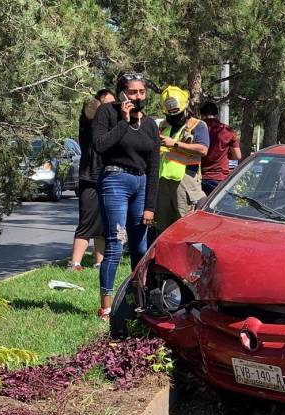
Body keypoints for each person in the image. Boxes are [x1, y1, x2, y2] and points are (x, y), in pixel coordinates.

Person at [93, 72, 161, 320]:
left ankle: (138, 300)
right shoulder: (107, 113)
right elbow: (100, 145)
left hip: (141, 185)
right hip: (115, 181)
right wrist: (123, 120)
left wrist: (150, 206)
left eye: (142, 92)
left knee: (141, 246)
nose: (138, 96)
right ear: (122, 93)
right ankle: (107, 306)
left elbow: (154, 167)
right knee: (114, 243)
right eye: (132, 92)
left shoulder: (151, 124)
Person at [70, 88, 113, 272]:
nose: (111, 108)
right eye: (108, 104)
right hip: (89, 177)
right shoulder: (88, 121)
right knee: (86, 221)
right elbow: (90, 108)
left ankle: (99, 262)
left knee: (104, 224)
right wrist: (98, 101)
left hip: (108, 176)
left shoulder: (110, 125)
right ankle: (75, 263)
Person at [155, 86, 208, 232]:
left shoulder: (198, 125)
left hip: (186, 185)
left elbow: (203, 149)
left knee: (185, 227)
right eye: (169, 115)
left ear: (185, 108)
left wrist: (175, 144)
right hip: (164, 184)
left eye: (177, 114)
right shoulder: (163, 125)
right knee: (163, 229)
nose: (173, 118)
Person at [198, 101, 241, 195]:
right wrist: (225, 154)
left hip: (198, 177)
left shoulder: (196, 129)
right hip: (219, 177)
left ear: (201, 114)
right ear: (216, 114)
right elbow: (237, 156)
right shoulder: (227, 130)